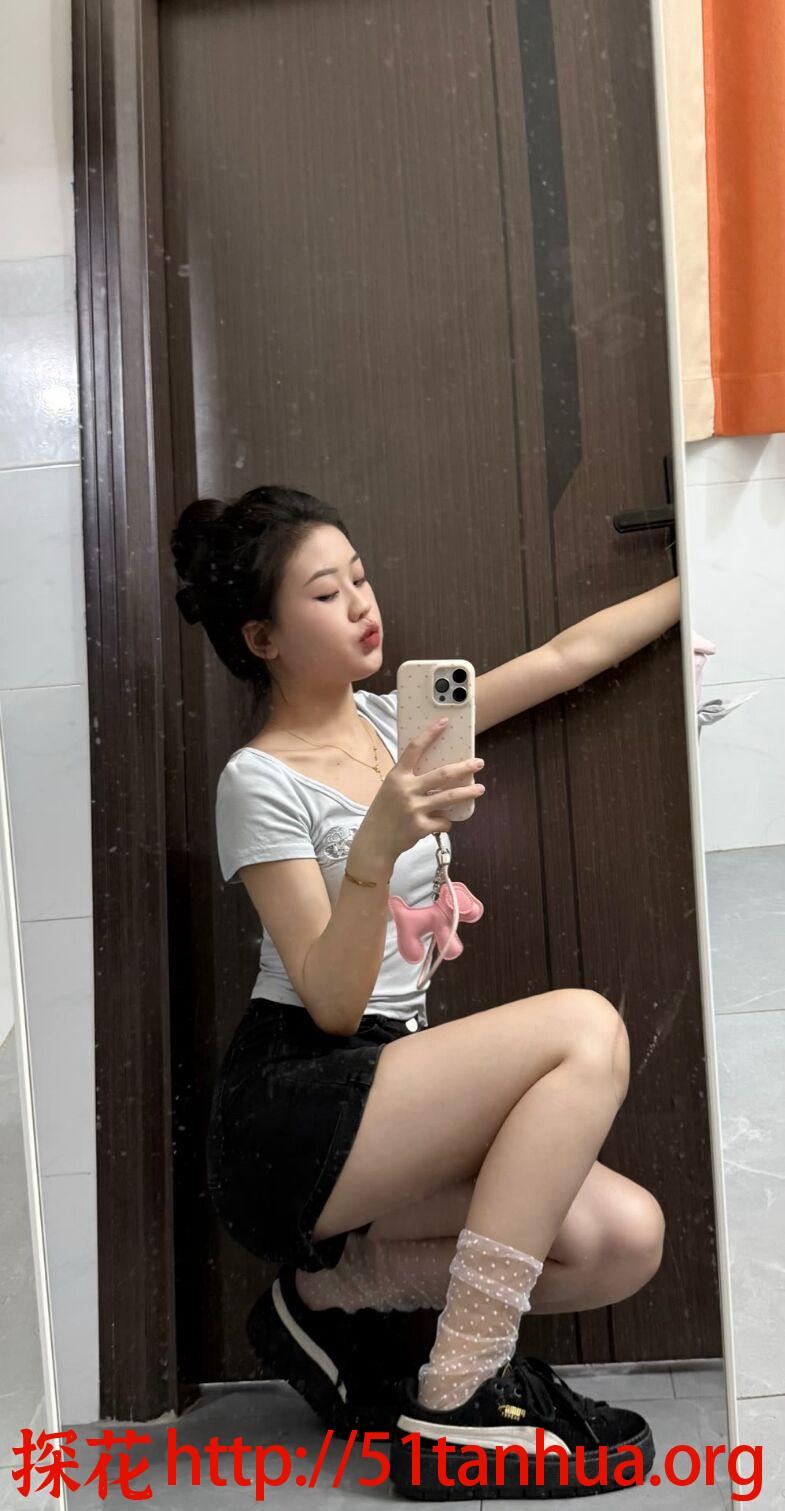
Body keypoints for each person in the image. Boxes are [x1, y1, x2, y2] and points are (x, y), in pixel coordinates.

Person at [172, 485, 680, 1499]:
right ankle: (457, 1396)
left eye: (359, 576)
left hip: (387, 1086)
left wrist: (699, 576)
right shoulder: (257, 778)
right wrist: (374, 847)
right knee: (585, 1027)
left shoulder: (399, 723)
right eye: (327, 593)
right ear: (263, 637)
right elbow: (329, 1001)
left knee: (621, 1240)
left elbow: (565, 658)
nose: (362, 603)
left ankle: (329, 1295)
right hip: (292, 1103)